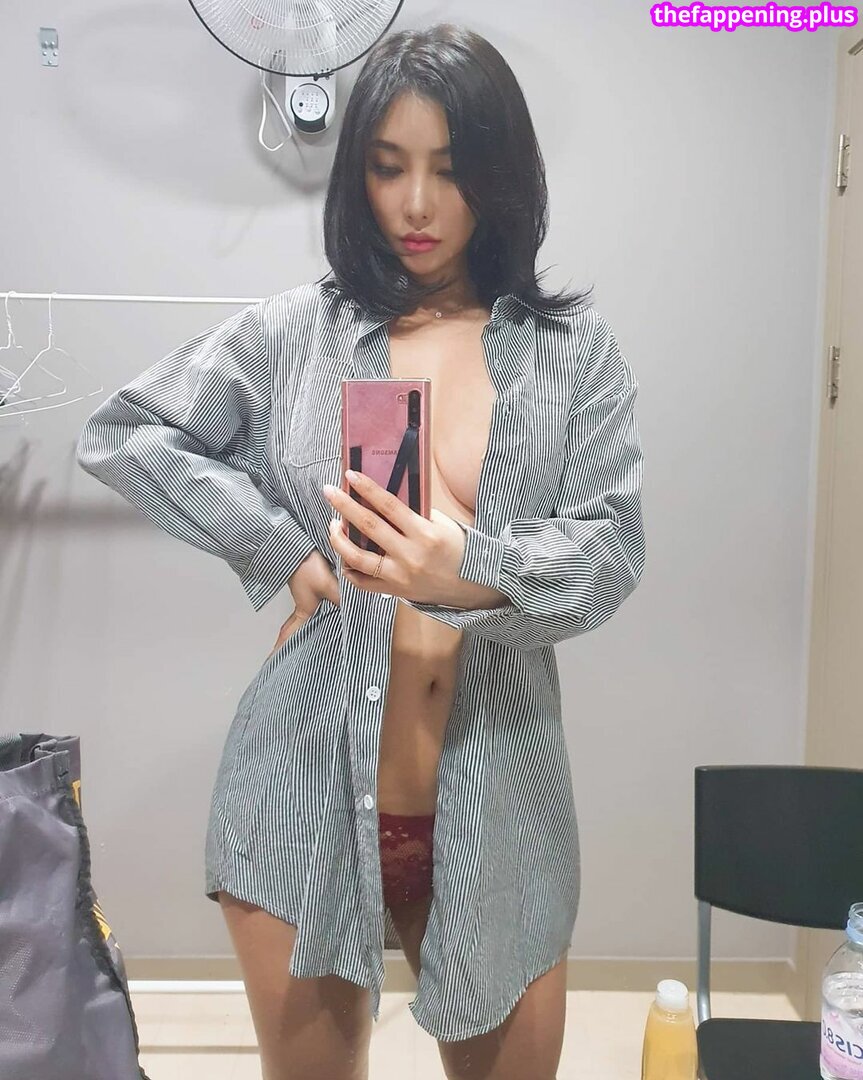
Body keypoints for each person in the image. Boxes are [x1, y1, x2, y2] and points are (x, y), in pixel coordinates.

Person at [76, 21, 645, 1080]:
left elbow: (610, 552)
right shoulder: (301, 333)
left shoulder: (571, 357)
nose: (416, 204)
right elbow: (125, 432)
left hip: (500, 809)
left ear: (501, 175)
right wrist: (279, 548)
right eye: (387, 168)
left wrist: (467, 572)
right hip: (301, 794)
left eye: (450, 168)